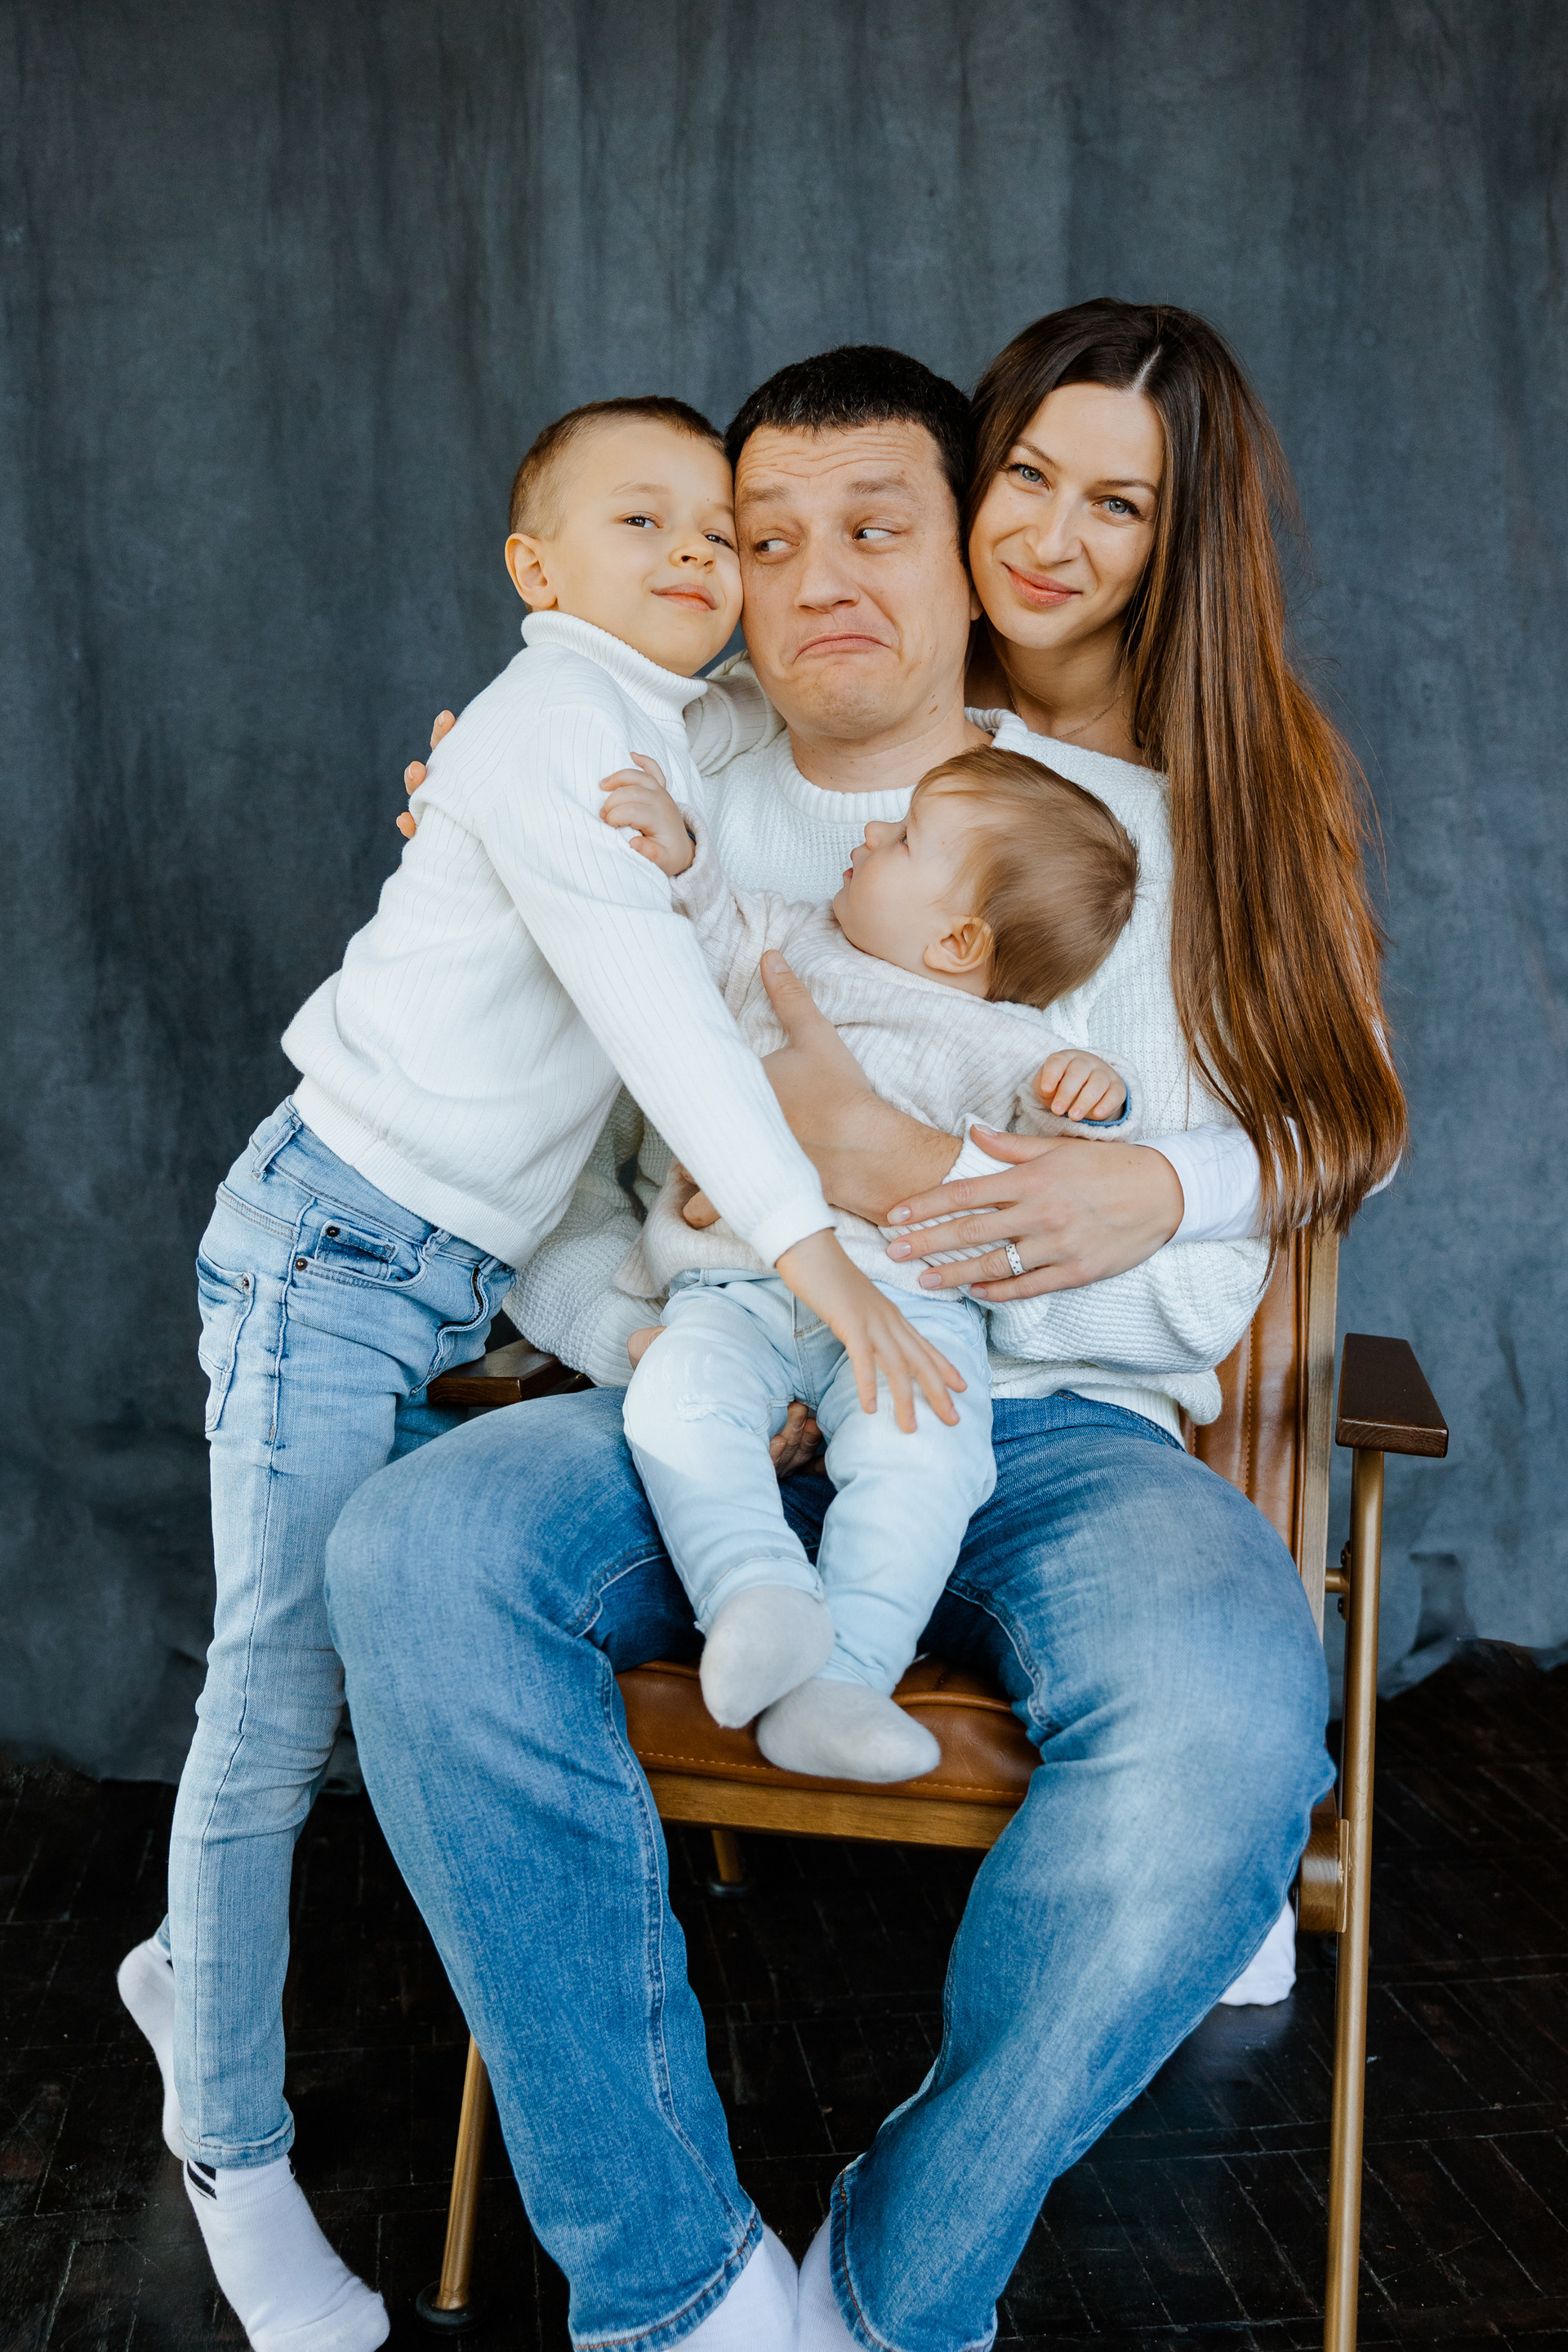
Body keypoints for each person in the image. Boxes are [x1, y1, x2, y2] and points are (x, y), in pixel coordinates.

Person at [328, 313, 1405, 2352]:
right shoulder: (648, 797)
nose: (820, 579)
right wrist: (648, 1326)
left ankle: (904, 2284)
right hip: (714, 1382)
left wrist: (916, 1205)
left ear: (962, 555)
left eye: (879, 526)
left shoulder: (1132, 842)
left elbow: (1198, 1265)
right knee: (415, 1544)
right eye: (767, 536)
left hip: (1060, 1425)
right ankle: (679, 2287)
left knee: (1227, 1723)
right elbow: (545, 1197)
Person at [116, 393, 963, 2352]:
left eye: (715, 527)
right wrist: (823, 1270)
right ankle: (225, 2146)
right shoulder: (542, 728)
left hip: (469, 1274)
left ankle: (189, 1979)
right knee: (278, 1700)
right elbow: (664, 1025)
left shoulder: (679, 726)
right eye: (638, 520)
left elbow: (778, 792)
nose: (697, 553)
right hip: (332, 1249)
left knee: (367, 1667)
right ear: (535, 570)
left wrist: (629, 1327)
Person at [608, 742, 1139, 1778]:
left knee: (926, 1458)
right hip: (735, 1287)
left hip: (907, 1311)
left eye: (903, 839)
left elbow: (1056, 1169)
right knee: (674, 1400)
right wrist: (679, 855)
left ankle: (844, 1680)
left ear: (959, 940)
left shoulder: (1008, 1042)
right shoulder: (788, 937)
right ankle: (754, 1592)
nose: (869, 833)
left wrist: (1094, 1095)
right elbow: (701, 923)